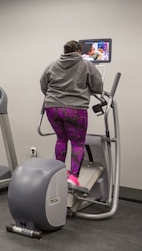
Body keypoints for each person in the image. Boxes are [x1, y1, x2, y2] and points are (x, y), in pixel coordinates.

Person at [40, 40, 104, 187]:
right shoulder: (87, 65)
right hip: (75, 110)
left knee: (61, 139)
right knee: (77, 143)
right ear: (79, 51)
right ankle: (73, 177)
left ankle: (58, 174)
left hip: (52, 108)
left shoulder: (52, 65)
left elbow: (43, 85)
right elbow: (98, 87)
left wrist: (56, 97)